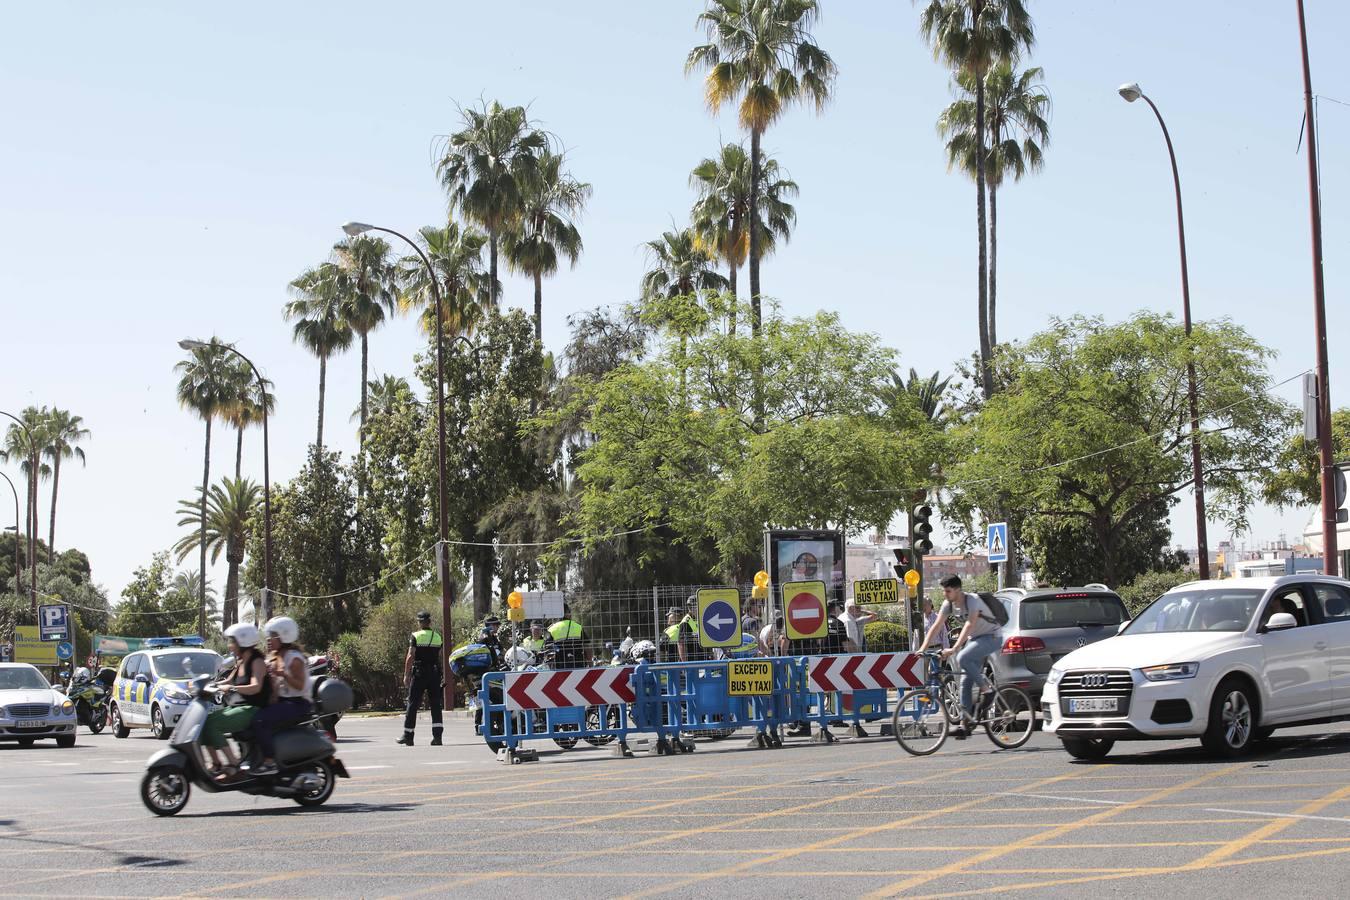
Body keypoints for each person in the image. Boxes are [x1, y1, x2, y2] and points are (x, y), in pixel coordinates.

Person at [917, 576, 1000, 739]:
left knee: (962, 657)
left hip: (992, 636)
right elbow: (936, 626)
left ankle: (987, 691)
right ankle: (965, 725)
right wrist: (922, 648)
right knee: (964, 682)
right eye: (944, 591)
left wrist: (954, 648)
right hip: (975, 639)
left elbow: (969, 624)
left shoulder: (972, 601)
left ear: (958, 590)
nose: (945, 594)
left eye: (948, 591)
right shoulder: (948, 605)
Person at [243, 616, 312, 775]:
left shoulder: (294, 658)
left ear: (285, 636)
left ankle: (269, 762)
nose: (268, 639)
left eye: (273, 635)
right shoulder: (274, 656)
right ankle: (252, 758)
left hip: (298, 703)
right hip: (283, 701)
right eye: (268, 635)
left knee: (260, 720)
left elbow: (300, 686)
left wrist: (283, 674)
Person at [202, 622, 270, 780]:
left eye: (233, 642)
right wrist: (209, 685)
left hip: (251, 709)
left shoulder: (257, 661)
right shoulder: (240, 662)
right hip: (237, 707)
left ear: (243, 642)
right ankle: (217, 763)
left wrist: (233, 689)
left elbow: (256, 687)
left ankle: (234, 766)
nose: (230, 646)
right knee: (205, 722)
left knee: (214, 725)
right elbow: (229, 681)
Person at [397, 611, 445, 747]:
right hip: (434, 674)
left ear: (420, 622)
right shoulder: (437, 637)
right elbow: (438, 656)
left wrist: (406, 674)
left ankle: (408, 736)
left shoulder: (416, 636)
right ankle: (437, 737)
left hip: (419, 674)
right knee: (436, 704)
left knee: (413, 704)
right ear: (429, 622)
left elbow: (411, 655)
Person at [548, 604, 584, 669]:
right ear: (567, 612)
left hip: (560, 666)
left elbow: (548, 647)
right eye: (569, 612)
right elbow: (587, 646)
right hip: (578, 665)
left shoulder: (553, 628)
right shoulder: (578, 627)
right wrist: (590, 663)